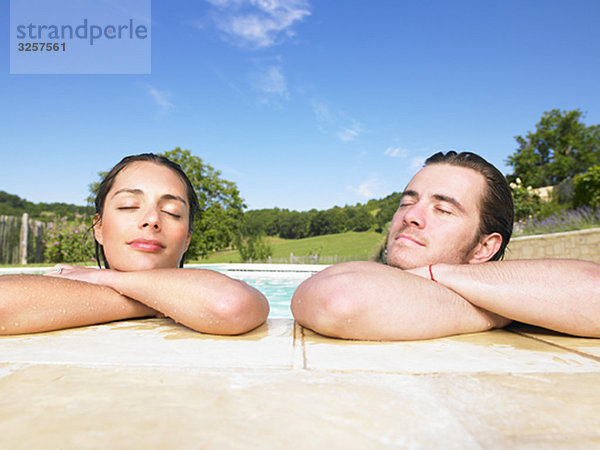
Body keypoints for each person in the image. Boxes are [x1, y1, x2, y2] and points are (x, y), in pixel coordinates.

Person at [291, 151, 600, 340]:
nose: (411, 216)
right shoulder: (511, 303)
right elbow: (337, 300)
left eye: (443, 209)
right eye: (407, 203)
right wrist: (499, 313)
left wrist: (437, 273)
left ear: (483, 248)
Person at [0, 153, 269, 335]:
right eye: (129, 205)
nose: (152, 219)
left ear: (186, 240)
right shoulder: (60, 285)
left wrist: (102, 279)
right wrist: (158, 302)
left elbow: (232, 304)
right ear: (99, 228)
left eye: (173, 212)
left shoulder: (83, 280)